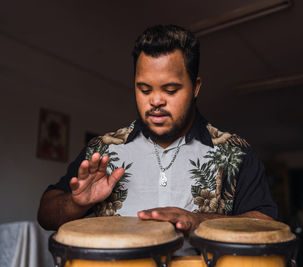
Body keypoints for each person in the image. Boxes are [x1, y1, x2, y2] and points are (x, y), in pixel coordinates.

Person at [37, 25, 277, 236]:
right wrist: (75, 204)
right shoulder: (104, 149)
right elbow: (45, 215)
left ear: (195, 87)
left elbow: (268, 225)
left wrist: (199, 220)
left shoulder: (235, 152)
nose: (156, 101)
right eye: (144, 89)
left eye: (170, 90)